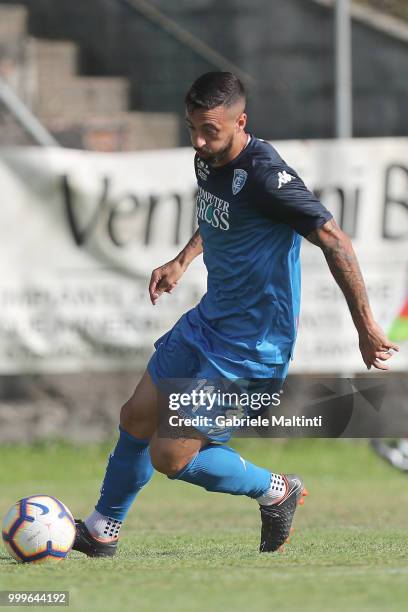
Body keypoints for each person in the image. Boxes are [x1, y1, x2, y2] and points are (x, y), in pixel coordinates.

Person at [73, 71, 399, 557]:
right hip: (208, 323)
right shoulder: (209, 159)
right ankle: (102, 530)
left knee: (171, 455)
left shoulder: (269, 176)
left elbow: (335, 239)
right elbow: (219, 212)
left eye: (211, 130)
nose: (199, 141)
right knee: (137, 416)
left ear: (240, 122)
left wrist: (367, 327)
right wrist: (182, 260)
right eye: (192, 129)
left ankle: (275, 489)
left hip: (250, 350)